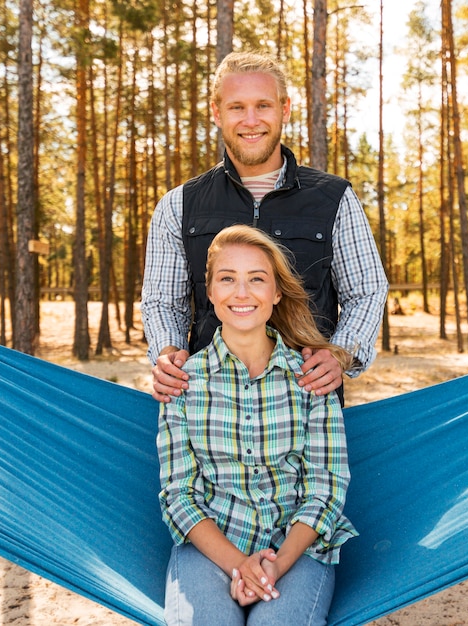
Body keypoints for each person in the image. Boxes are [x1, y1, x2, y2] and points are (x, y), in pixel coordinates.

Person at [142, 51, 388, 404]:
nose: (251, 120)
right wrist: (168, 353)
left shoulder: (335, 198)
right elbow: (163, 301)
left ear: (284, 109)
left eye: (263, 106)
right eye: (237, 107)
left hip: (308, 405)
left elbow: (366, 290)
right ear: (217, 113)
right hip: (208, 406)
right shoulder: (178, 205)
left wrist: (341, 353)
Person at [157, 225, 357, 626]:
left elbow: (326, 489)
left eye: (257, 279)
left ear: (277, 293)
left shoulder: (312, 377)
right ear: (210, 292)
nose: (242, 293)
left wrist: (276, 565)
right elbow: (179, 495)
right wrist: (241, 565)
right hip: (210, 549)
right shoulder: (182, 381)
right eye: (227, 279)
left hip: (297, 551)